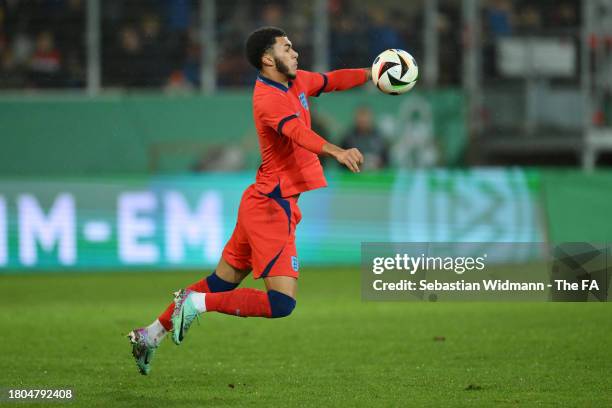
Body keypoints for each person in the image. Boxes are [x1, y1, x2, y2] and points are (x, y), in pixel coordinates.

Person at [128, 26, 370, 375]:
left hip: (261, 199)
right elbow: (298, 134)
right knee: (281, 302)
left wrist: (371, 74)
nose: (295, 53)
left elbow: (331, 80)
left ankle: (149, 334)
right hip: (273, 205)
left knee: (220, 283)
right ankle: (196, 304)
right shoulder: (267, 99)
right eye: (287, 48)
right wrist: (336, 150)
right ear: (268, 59)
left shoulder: (296, 81)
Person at [340, 106, 389, 170]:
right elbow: (341, 161)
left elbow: (387, 160)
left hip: (377, 176)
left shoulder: (380, 137)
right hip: (353, 176)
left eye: (365, 118)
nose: (363, 120)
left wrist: (378, 164)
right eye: (361, 118)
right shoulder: (347, 138)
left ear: (370, 118)